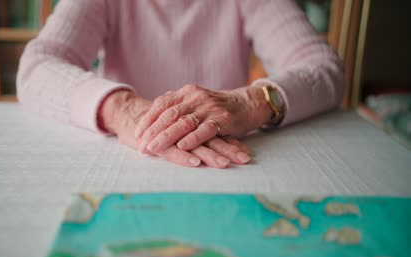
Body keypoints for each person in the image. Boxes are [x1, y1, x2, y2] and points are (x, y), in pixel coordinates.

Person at [17, 0, 344, 169]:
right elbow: (37, 66)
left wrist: (250, 103)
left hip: (229, 166)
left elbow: (325, 68)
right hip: (128, 162)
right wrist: (123, 110)